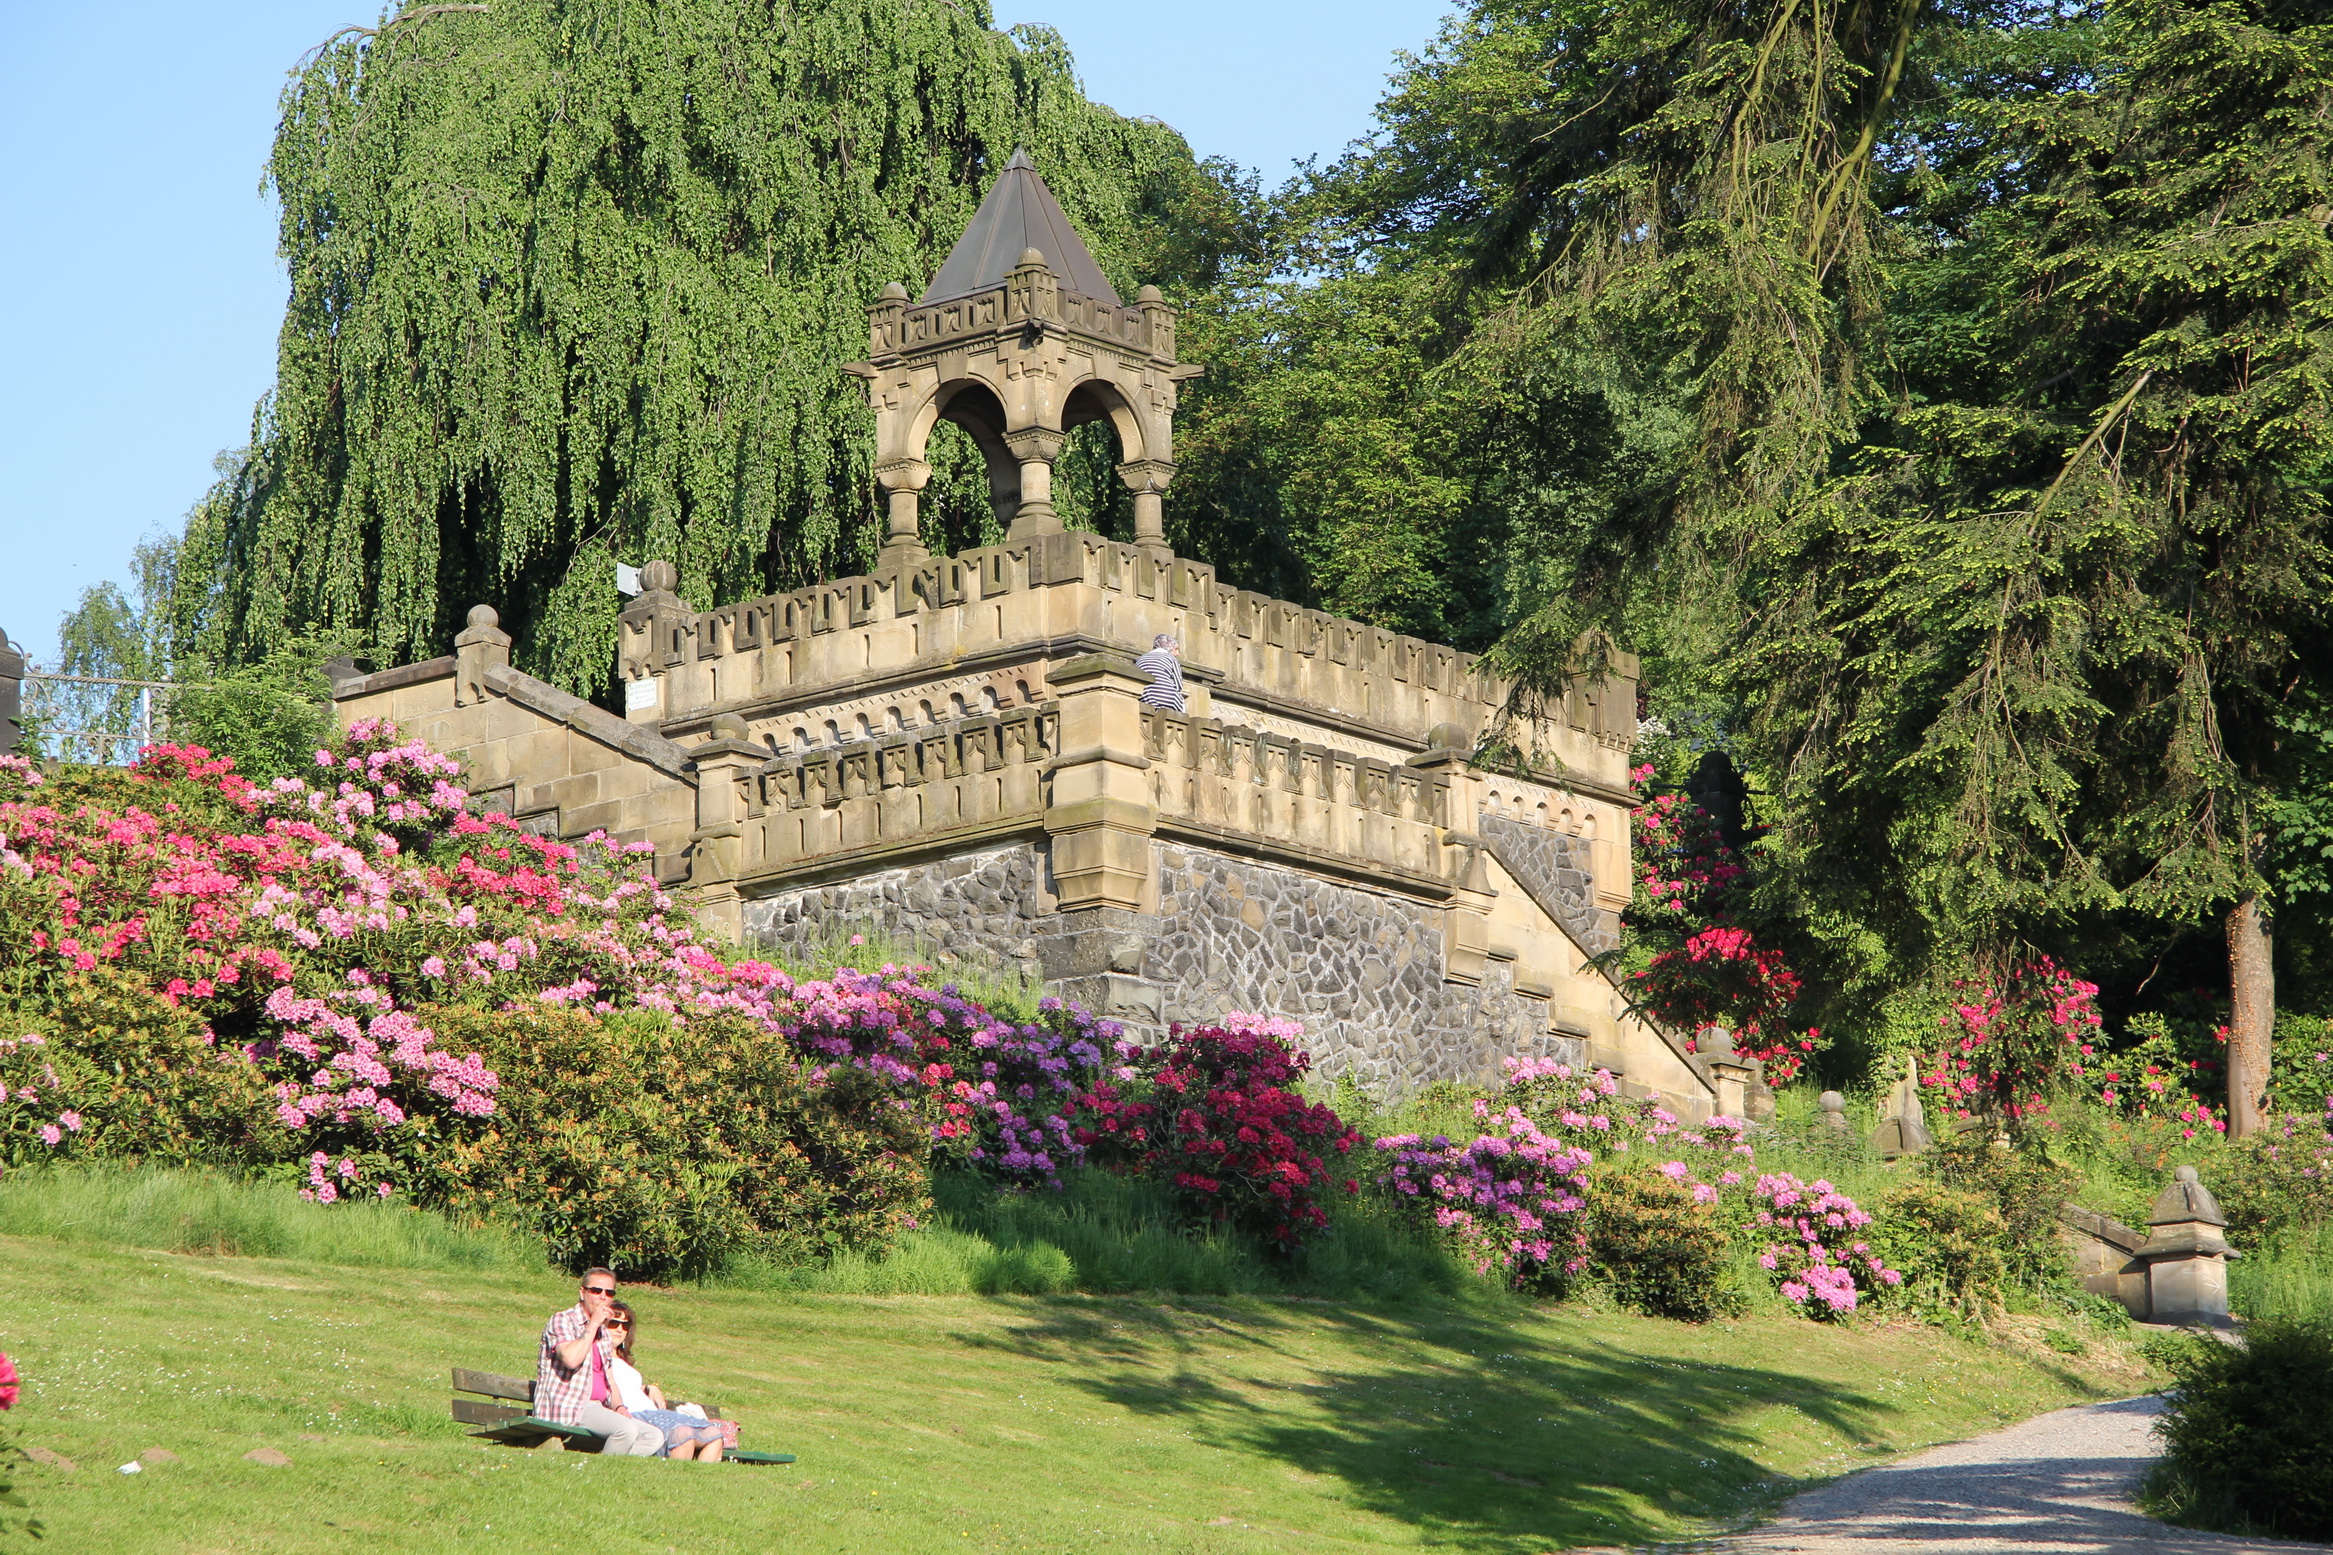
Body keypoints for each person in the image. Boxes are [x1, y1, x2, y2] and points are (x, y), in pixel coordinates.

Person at [536, 1267, 661, 1456]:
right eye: (596, 1291)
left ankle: (611, 1470)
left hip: (598, 1407)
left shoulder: (604, 1334)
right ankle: (605, 1473)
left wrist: (619, 1407)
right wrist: (593, 1324)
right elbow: (570, 1360)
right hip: (569, 1405)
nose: (603, 1297)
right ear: (582, 1292)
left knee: (653, 1436)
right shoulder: (562, 1320)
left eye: (609, 1293)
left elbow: (609, 1379)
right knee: (625, 1430)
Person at [603, 1302, 731, 1462]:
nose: (620, 1329)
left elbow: (628, 1386)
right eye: (614, 1323)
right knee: (683, 1433)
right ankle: (675, 1479)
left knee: (714, 1434)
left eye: (625, 1324)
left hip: (653, 1412)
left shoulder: (622, 1361)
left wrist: (649, 1387)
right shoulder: (596, 1357)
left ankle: (699, 1481)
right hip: (632, 1415)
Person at [1135, 632, 1185, 713]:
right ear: (1169, 647)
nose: (1177, 653)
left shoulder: (1140, 659)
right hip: (1168, 700)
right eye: (1176, 649)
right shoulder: (1170, 658)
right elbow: (1178, 686)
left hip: (1145, 698)